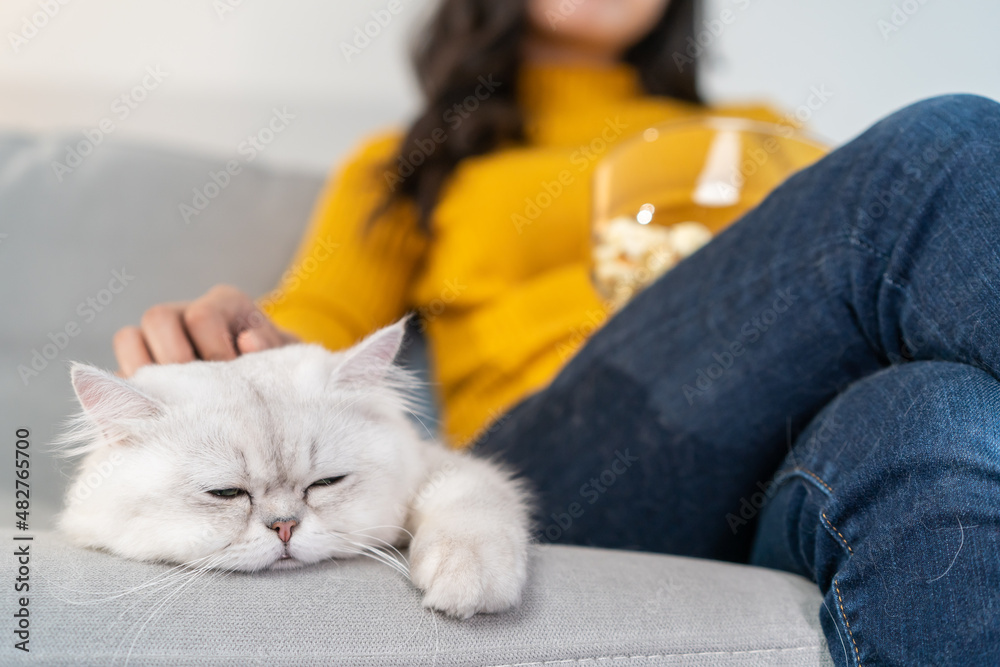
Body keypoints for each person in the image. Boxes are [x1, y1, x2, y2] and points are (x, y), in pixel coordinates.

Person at [112, 1, 1000, 664]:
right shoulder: (413, 160)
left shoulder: (764, 133)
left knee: (936, 418)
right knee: (942, 145)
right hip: (569, 466)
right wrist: (233, 334)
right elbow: (321, 347)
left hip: (795, 464)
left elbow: (913, 279)